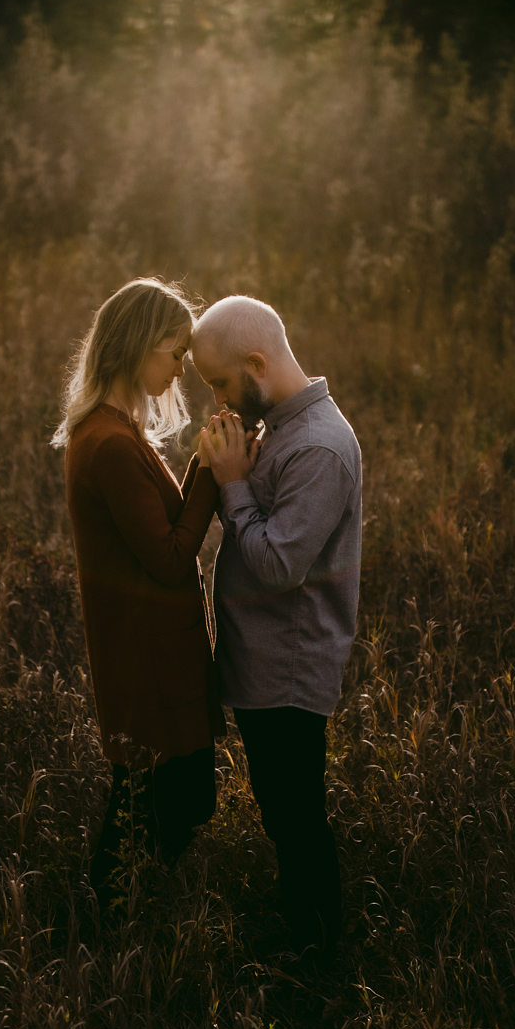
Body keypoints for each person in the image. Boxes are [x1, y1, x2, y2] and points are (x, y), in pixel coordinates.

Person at [192, 295, 362, 959]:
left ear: (257, 363)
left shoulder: (318, 447)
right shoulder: (282, 431)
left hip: (288, 669)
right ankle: (306, 933)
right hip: (263, 663)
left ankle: (318, 952)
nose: (217, 398)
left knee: (295, 818)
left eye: (221, 382)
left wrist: (233, 482)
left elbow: (277, 565)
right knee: (282, 810)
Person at [54, 278, 225, 919]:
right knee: (158, 802)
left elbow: (163, 529)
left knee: (161, 800)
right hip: (145, 658)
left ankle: (115, 916)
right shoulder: (109, 445)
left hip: (152, 651)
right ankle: (104, 923)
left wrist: (202, 467)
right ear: (133, 347)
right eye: (172, 351)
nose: (181, 367)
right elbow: (173, 556)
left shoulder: (116, 431)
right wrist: (210, 472)